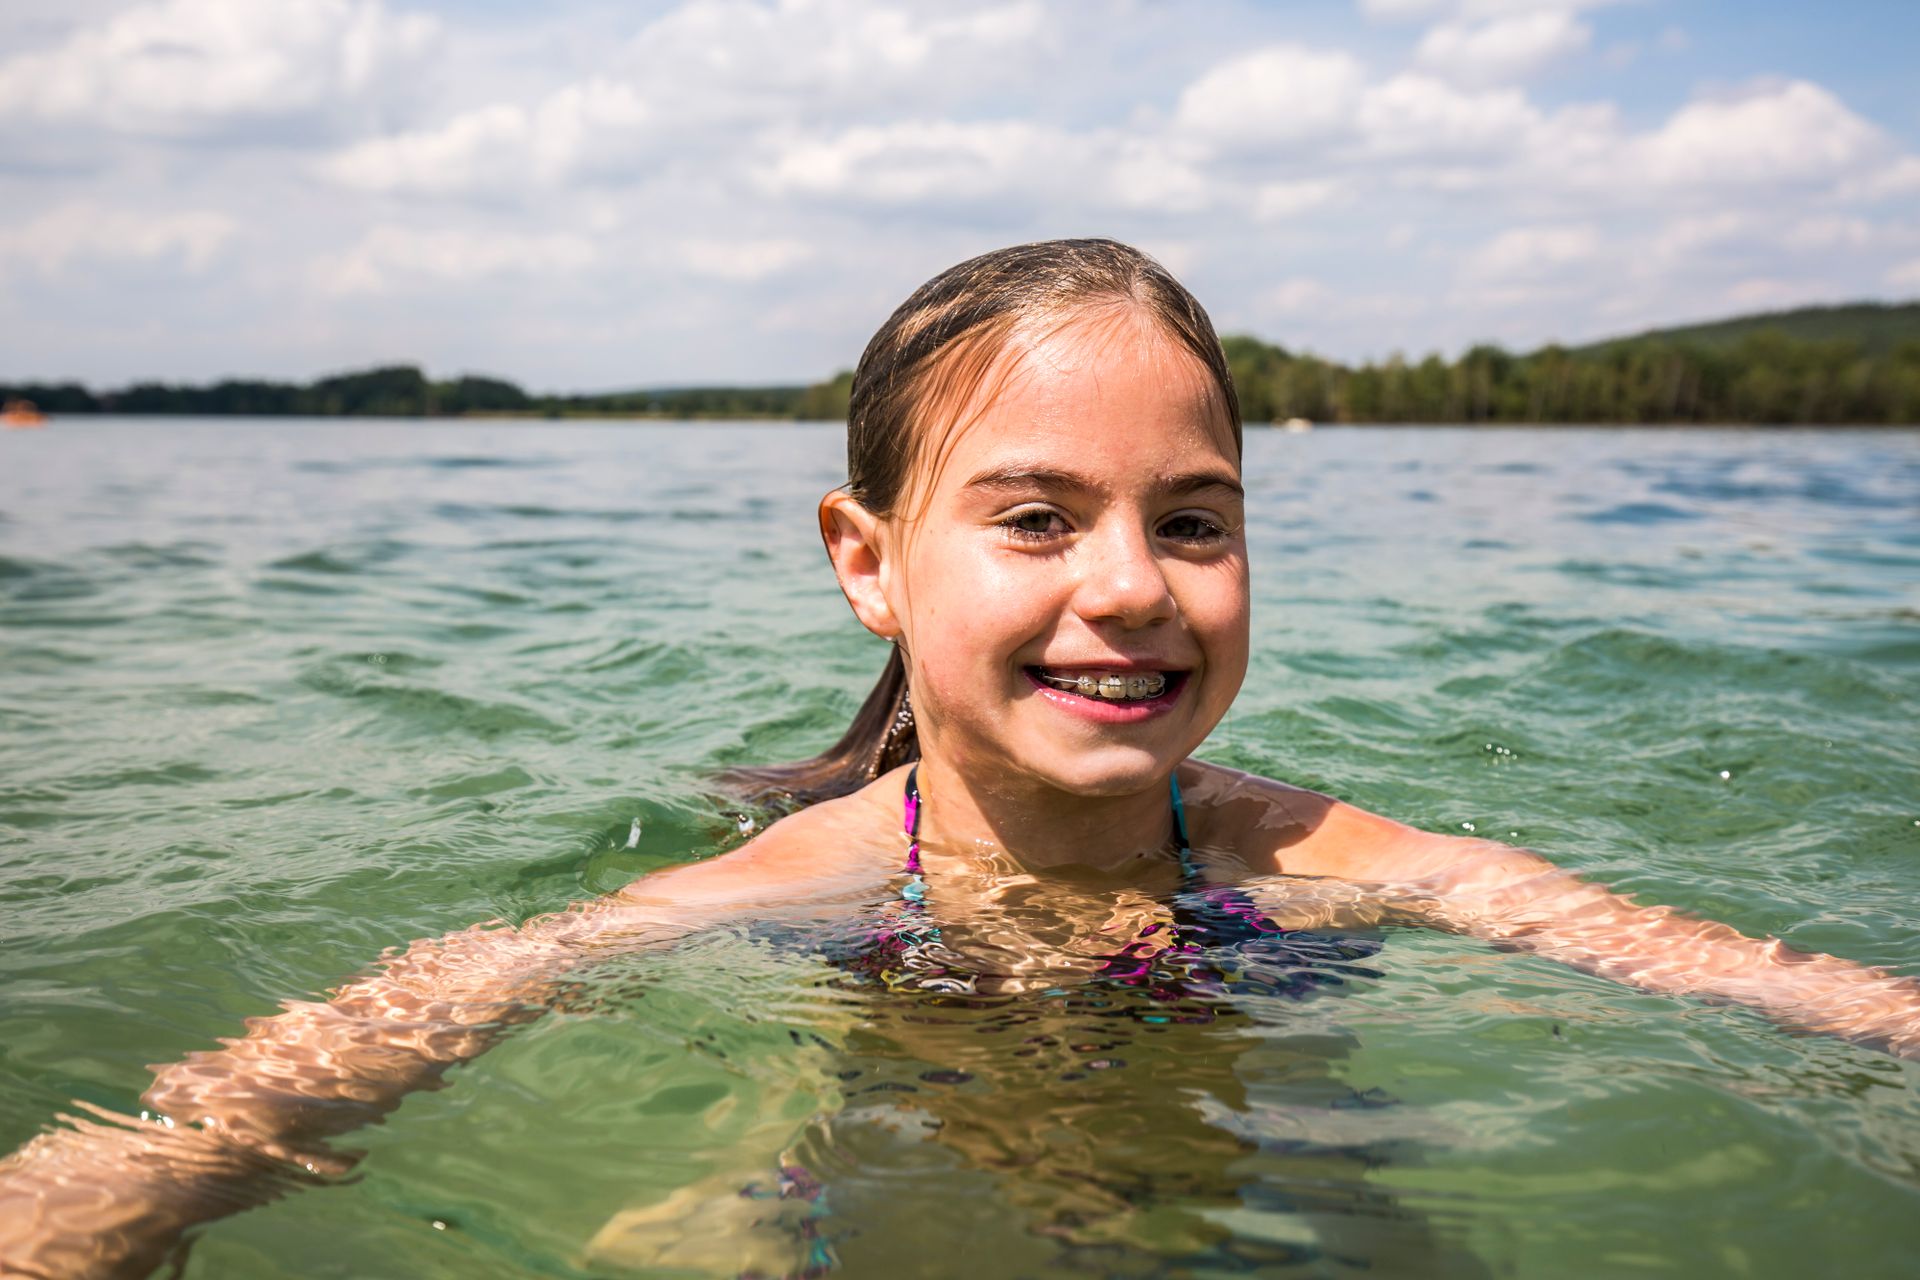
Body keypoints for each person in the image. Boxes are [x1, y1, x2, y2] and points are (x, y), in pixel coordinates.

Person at [2, 238, 1917, 1278]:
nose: (1132, 587)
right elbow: (405, 1017)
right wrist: (124, 1192)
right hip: (873, 1182)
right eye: (1033, 518)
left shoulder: (1316, 849)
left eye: (1193, 518)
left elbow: (1726, 976)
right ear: (868, 564)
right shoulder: (810, 876)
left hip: (1255, 1165)